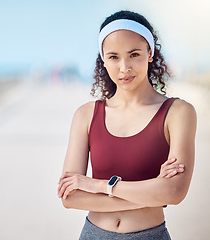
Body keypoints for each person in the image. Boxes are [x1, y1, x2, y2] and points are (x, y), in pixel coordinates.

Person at [57, 10, 197, 240]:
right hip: (93, 234)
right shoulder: (86, 115)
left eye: (134, 54)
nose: (124, 67)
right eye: (113, 57)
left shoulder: (178, 112)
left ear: (150, 53)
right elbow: (70, 197)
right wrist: (152, 192)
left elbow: (174, 191)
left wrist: (99, 185)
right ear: (103, 59)